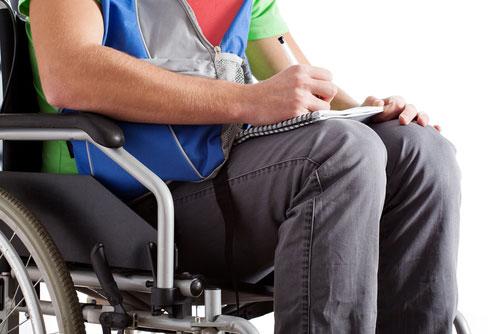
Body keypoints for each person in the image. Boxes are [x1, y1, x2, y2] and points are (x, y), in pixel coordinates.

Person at [22, 0, 461, 332]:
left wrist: (368, 109)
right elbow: (68, 73)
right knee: (338, 154)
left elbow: (302, 84)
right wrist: (250, 100)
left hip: (216, 180)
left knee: (420, 151)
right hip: (123, 203)